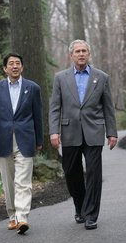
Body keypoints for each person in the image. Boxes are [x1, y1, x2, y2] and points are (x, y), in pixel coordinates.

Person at [49, 40, 118, 230]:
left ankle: (91, 215)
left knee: (94, 174)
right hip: (69, 131)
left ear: (89, 54)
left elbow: (108, 107)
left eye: (84, 51)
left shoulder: (101, 77)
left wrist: (112, 132)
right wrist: (54, 131)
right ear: (71, 55)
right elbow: (55, 107)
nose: (81, 54)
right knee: (71, 172)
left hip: (94, 131)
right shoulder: (60, 78)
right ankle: (80, 207)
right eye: (77, 51)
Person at [0, 53, 43, 235]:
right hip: (3, 140)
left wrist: (39, 140)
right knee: (8, 181)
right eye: (11, 64)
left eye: (18, 63)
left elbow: (37, 116)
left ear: (22, 67)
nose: (15, 66)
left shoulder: (33, 88)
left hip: (25, 139)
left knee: (23, 181)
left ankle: (22, 217)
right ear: (5, 68)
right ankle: (12, 216)